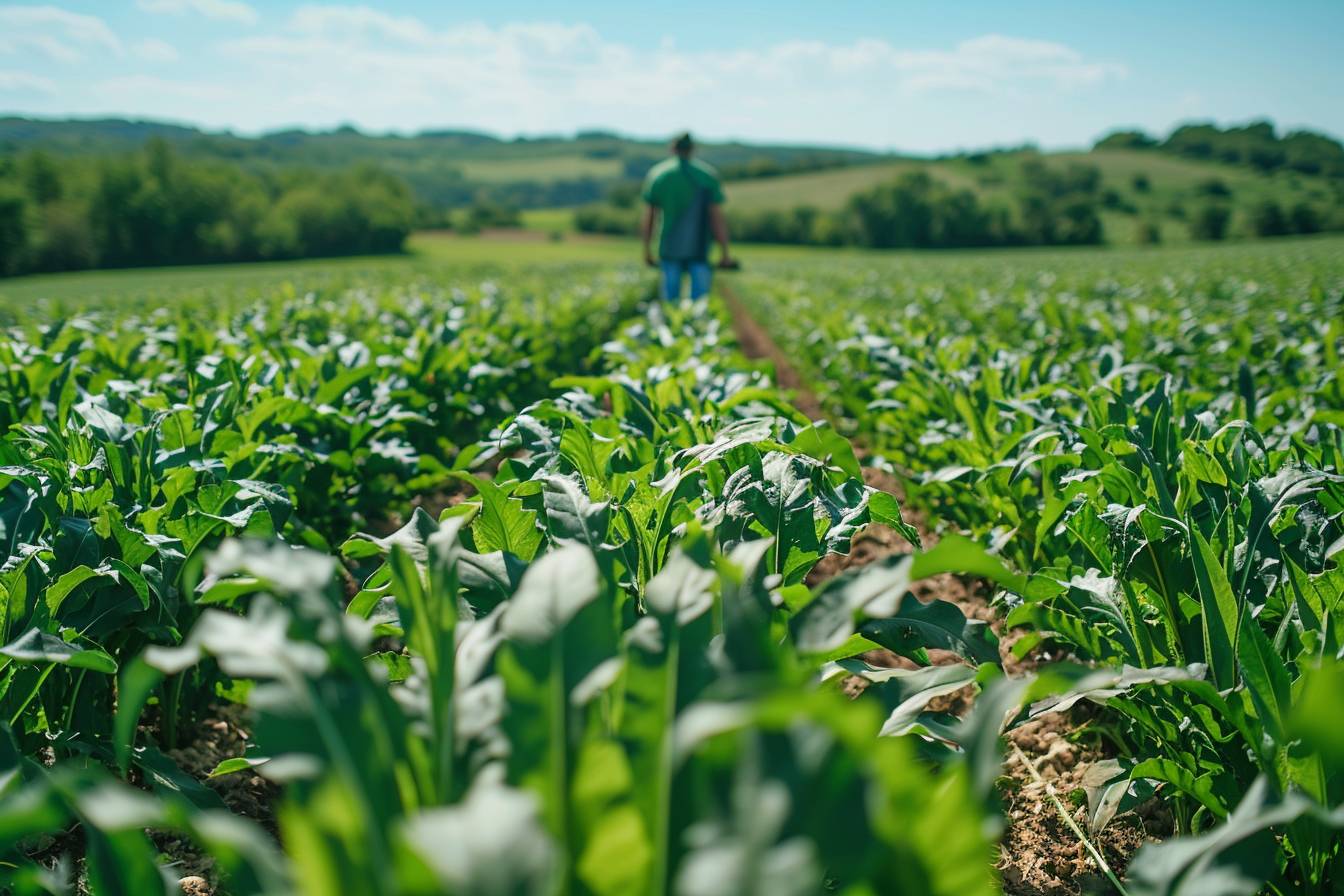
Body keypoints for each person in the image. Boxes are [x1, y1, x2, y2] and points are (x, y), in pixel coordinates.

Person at [641, 132, 735, 300]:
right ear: (692, 149)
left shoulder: (658, 175)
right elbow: (717, 219)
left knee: (670, 303)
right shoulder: (707, 175)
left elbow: (650, 217)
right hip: (700, 246)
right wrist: (725, 252)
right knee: (699, 304)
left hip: (668, 246)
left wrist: (647, 249)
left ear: (672, 148)